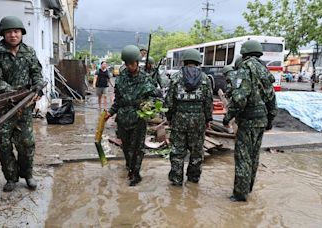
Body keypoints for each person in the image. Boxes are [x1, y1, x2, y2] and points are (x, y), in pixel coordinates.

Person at [0, 16, 44, 192]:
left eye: (16, 31)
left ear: (21, 33)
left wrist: (38, 87)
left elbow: (36, 73)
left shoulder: (29, 52)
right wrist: (15, 94)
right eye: (9, 32)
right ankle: (11, 178)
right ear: (3, 34)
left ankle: (28, 175)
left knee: (27, 143)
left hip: (24, 108)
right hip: (3, 108)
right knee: (3, 145)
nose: (13, 35)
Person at [223, 40, 277, 202]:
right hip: (261, 120)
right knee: (254, 156)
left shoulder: (245, 68)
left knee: (243, 157)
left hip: (247, 120)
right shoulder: (263, 70)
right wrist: (270, 119)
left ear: (244, 53)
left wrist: (228, 117)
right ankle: (248, 188)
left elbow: (239, 98)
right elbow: (272, 98)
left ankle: (240, 194)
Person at [105, 45, 157, 186]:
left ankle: (135, 174)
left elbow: (154, 98)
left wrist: (148, 106)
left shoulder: (146, 78)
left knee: (137, 148)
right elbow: (118, 101)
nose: (129, 66)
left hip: (138, 118)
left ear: (137, 62)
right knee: (126, 147)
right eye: (127, 64)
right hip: (123, 119)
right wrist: (110, 112)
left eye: (131, 63)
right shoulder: (121, 78)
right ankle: (130, 166)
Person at [165, 49, 213, 186]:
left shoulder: (176, 77)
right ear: (198, 61)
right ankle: (193, 179)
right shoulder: (205, 78)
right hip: (198, 120)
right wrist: (208, 119)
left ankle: (176, 180)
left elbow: (169, 101)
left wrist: (169, 117)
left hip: (179, 119)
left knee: (177, 151)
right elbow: (209, 101)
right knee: (197, 152)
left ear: (184, 60)